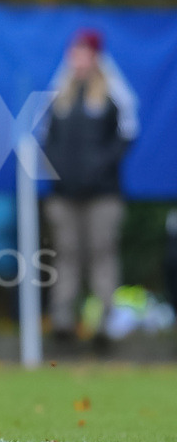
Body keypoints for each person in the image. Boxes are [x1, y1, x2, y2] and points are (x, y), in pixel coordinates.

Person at [42, 28, 138, 350]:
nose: (78, 60)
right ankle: (63, 323)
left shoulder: (112, 92)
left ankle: (104, 325)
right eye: (75, 53)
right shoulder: (60, 93)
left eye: (85, 53)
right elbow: (45, 137)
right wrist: (59, 173)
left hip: (103, 194)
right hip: (64, 194)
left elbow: (127, 133)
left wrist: (100, 167)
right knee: (66, 256)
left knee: (102, 255)